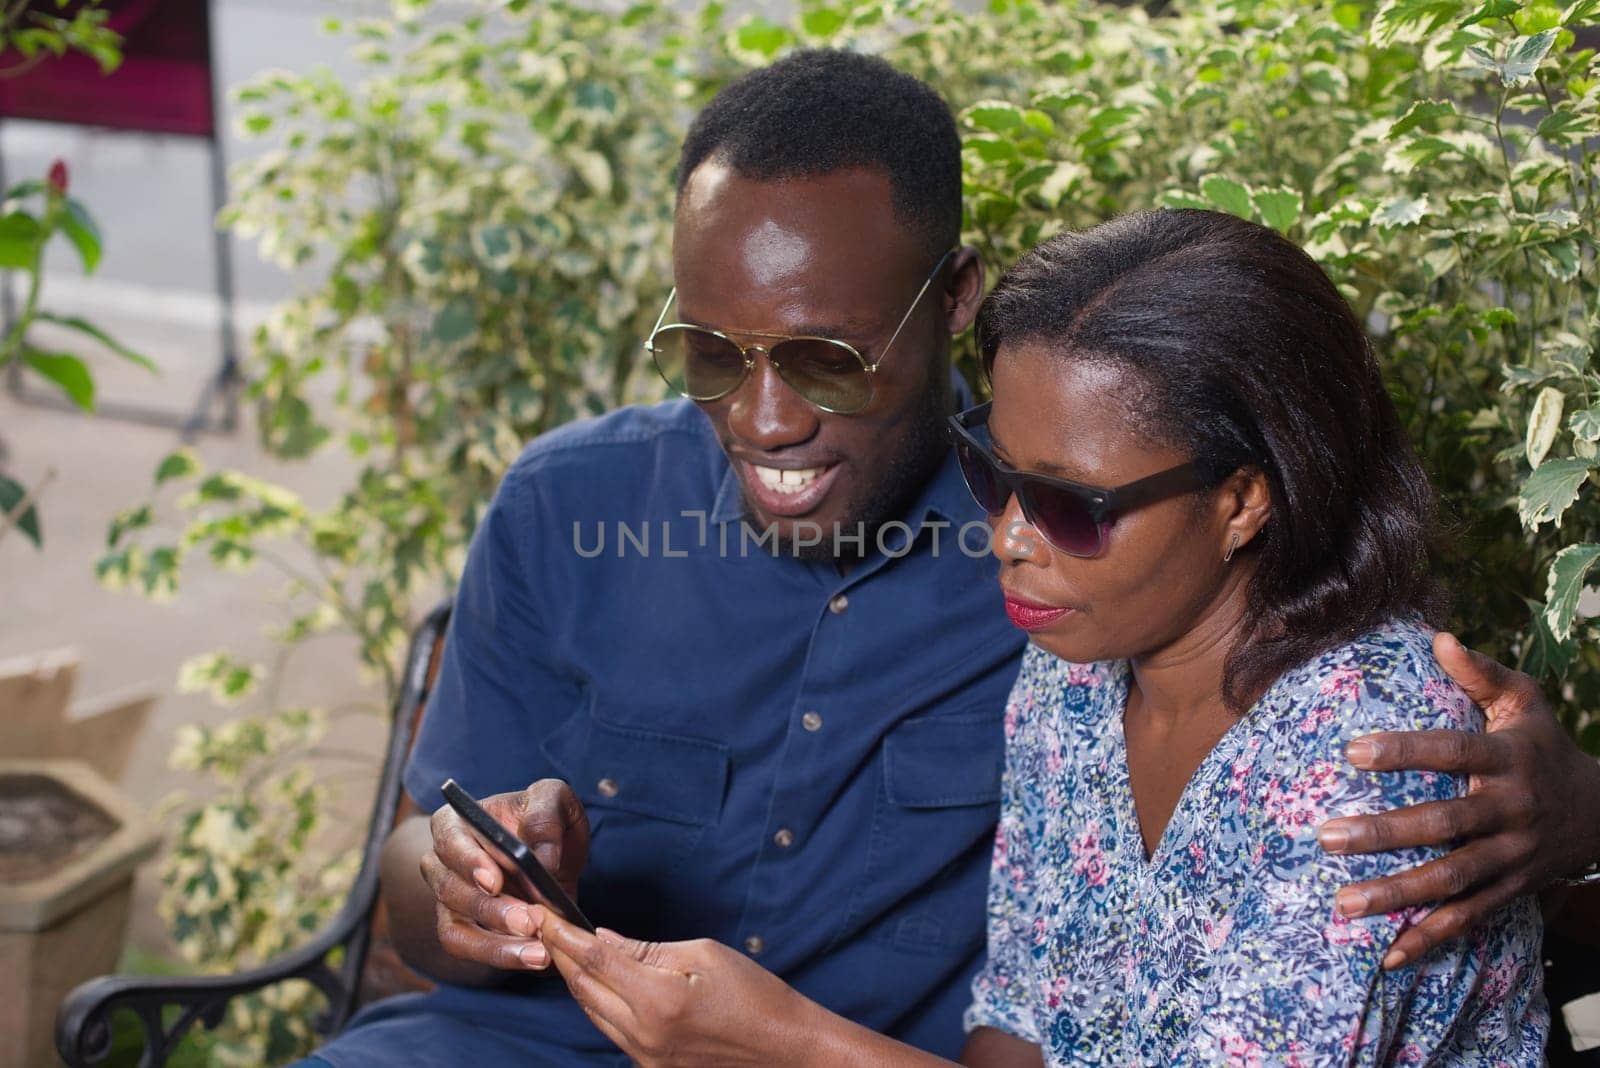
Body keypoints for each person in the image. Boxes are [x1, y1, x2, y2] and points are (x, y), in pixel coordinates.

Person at [294, 53, 1600, 1068]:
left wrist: (1580, 810)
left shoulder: (1112, 598)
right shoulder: (1067, 653)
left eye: (824, 357)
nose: (761, 417)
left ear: (953, 299)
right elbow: (415, 902)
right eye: (708, 351)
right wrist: (462, 882)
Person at [534, 211, 1550, 1065]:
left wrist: (792, 1046)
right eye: (993, 475)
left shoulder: (1375, 751)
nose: (1010, 538)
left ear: (1243, 500)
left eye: (1069, 503)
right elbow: (1017, 1028)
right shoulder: (1072, 677)